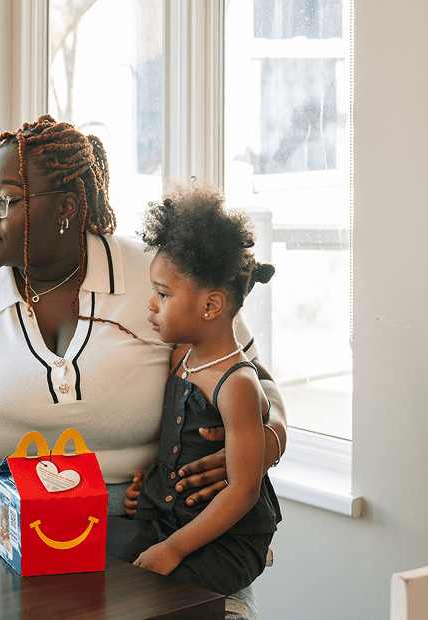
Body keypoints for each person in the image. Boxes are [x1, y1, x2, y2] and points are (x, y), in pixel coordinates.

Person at [0, 115, 288, 616]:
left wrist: (266, 443)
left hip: (153, 529)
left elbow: (251, 377)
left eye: (5, 198)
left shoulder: (159, 278)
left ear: (68, 207)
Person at [117, 183, 281, 596]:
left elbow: (243, 490)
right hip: (170, 519)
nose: (151, 305)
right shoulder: (180, 357)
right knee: (107, 579)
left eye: (163, 294)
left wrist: (172, 549)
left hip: (226, 538)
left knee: (164, 599)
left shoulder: (237, 384)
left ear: (210, 306)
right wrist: (152, 485)